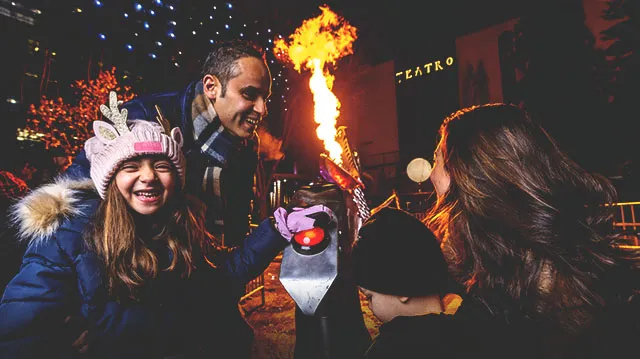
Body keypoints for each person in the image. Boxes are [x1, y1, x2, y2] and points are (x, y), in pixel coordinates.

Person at [0, 92, 331, 358]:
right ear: (109, 179)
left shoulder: (181, 227)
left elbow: (218, 283)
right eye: (131, 166)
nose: (148, 176)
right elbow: (19, 331)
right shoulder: (67, 237)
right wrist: (59, 345)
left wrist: (275, 230)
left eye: (161, 164)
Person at [427, 103, 640, 358]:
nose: (430, 174)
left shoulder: (502, 302)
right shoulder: (582, 264)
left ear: (466, 172)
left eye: (436, 160)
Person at [67, 39, 271, 249]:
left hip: (202, 273)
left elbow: (234, 238)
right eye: (249, 94)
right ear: (211, 87)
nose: (262, 109)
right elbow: (73, 200)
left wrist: (278, 226)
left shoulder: (245, 148)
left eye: (265, 97)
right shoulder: (144, 116)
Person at [352, 207, 463, 358]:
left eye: (369, 297)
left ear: (400, 289)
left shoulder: (392, 345)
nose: (369, 307)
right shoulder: (471, 325)